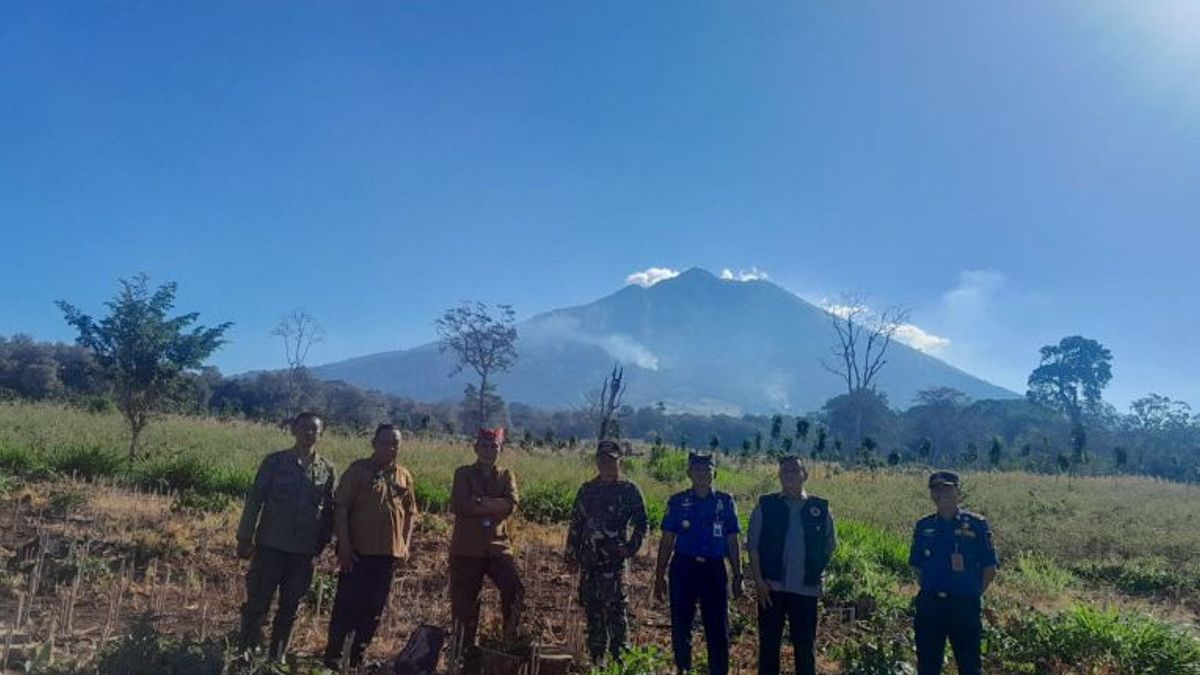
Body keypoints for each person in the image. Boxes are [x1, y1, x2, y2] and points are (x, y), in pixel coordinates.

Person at [236, 411, 335, 659]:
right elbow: (255, 500)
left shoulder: (327, 470)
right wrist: (244, 537)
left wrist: (320, 545)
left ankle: (276, 657)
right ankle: (247, 653)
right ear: (293, 430)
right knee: (258, 604)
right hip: (270, 546)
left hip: (302, 552)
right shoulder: (275, 462)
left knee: (290, 607)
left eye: (314, 429)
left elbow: (329, 513)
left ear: (321, 434)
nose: (308, 433)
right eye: (304, 428)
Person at [322, 424, 419, 669]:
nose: (391, 447)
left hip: (387, 556)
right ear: (374, 443)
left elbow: (410, 514)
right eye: (386, 442)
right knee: (346, 606)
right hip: (357, 554)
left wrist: (405, 545)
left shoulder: (404, 476)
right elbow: (341, 508)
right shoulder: (358, 470)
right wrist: (343, 544)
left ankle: (356, 659)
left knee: (373, 610)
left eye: (395, 443)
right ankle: (334, 658)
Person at [654, 453, 743, 675]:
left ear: (715, 473)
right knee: (681, 625)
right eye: (697, 470)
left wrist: (738, 575)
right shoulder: (677, 501)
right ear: (689, 473)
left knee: (717, 628)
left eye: (707, 469)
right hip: (684, 568)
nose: (702, 474)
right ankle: (684, 669)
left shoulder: (725, 501)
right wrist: (659, 575)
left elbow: (733, 540)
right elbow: (667, 540)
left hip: (714, 570)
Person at [747, 456, 836, 675]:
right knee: (769, 646)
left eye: (794, 471)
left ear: (804, 475)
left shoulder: (820, 508)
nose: (788, 475)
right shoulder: (766, 505)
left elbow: (829, 546)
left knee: (805, 648)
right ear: (779, 476)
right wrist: (759, 581)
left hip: (805, 590)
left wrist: (815, 571)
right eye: (784, 471)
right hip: (771, 588)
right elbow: (753, 545)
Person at [564, 439, 649, 665]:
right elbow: (576, 524)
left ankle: (620, 663)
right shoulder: (587, 490)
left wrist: (630, 548)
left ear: (619, 460)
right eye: (602, 459)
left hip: (615, 565)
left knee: (617, 614)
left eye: (611, 460)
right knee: (593, 614)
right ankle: (597, 662)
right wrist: (571, 556)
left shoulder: (629, 490)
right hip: (590, 564)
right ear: (597, 461)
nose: (607, 464)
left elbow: (643, 523)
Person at [909, 471, 999, 675]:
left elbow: (990, 568)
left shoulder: (976, 524)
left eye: (947, 487)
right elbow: (916, 565)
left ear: (958, 491)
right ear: (931, 494)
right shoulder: (924, 526)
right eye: (936, 489)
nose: (942, 493)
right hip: (931, 605)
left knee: (969, 666)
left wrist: (971, 593)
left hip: (964, 606)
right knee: (927, 665)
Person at [448, 427, 525, 655]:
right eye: (484, 446)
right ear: (475, 448)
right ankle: (464, 651)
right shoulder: (462, 474)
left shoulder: (506, 475)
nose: (489, 451)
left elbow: (510, 505)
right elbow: (461, 506)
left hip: (497, 547)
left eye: (494, 447)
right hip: (466, 549)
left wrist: (479, 502)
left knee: (515, 590)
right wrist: (494, 505)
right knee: (465, 604)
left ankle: (509, 640)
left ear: (500, 449)